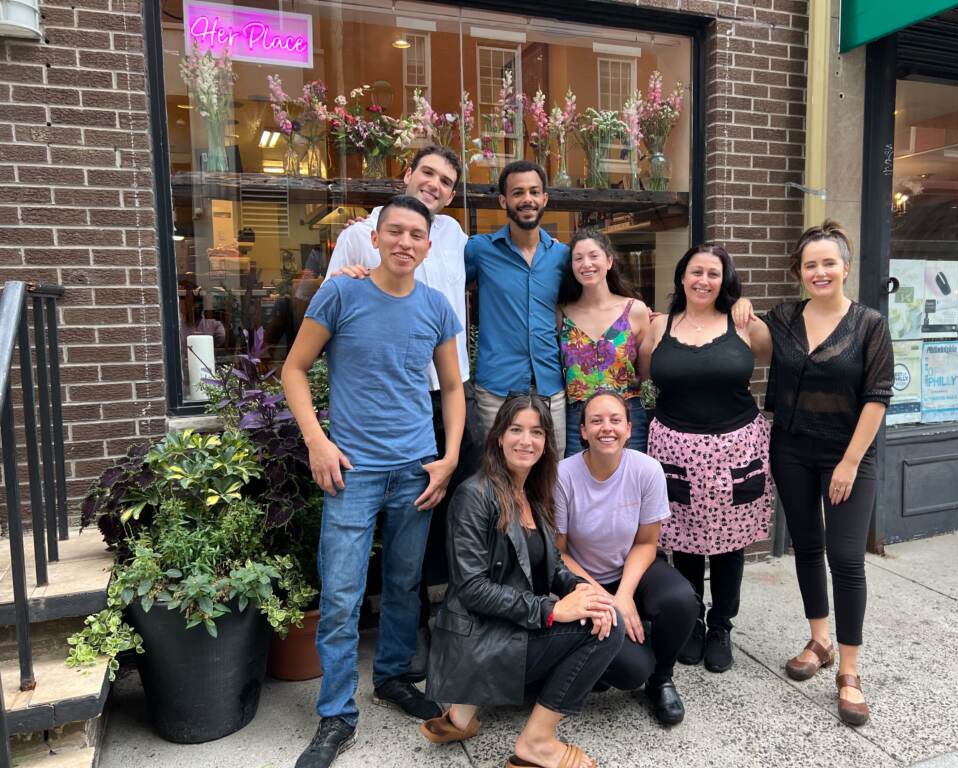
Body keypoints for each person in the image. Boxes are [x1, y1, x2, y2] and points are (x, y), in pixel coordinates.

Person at [282, 195, 466, 768]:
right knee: (340, 595)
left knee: (405, 584)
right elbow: (294, 368)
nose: (406, 242)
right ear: (376, 237)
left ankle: (390, 677)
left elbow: (453, 388)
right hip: (352, 471)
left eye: (416, 234)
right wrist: (318, 441)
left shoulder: (436, 306)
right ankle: (336, 714)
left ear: (427, 246)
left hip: (416, 469)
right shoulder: (341, 292)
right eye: (396, 232)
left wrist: (449, 456)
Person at [325, 144, 476, 678]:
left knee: (433, 525)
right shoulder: (358, 234)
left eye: (447, 181)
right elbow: (328, 315)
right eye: (427, 173)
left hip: (446, 392)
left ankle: (422, 635)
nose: (435, 184)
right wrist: (346, 274)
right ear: (406, 173)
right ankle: (387, 649)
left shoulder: (455, 235)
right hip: (383, 398)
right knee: (374, 535)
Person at [737, 220, 893, 726]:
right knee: (807, 546)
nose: (820, 271)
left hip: (849, 454)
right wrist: (740, 307)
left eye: (829, 263)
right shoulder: (783, 318)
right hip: (792, 448)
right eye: (810, 265)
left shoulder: (869, 324)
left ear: (845, 268)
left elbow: (877, 397)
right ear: (799, 273)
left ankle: (849, 671)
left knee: (846, 558)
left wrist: (848, 463)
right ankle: (819, 640)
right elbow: (753, 340)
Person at [421, 396, 623, 768]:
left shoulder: (532, 491)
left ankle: (461, 714)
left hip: (504, 629)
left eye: (536, 432)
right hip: (477, 641)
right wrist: (552, 609)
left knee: (603, 609)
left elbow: (552, 563)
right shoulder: (473, 496)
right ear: (498, 436)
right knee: (611, 630)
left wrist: (579, 590)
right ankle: (537, 742)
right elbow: (472, 588)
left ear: (547, 441)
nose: (525, 441)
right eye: (515, 430)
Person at [637, 245, 773, 675]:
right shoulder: (659, 327)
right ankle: (693, 620)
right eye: (696, 272)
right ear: (681, 277)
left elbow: (778, 361)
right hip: (675, 446)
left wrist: (745, 307)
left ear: (724, 280)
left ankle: (721, 626)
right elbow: (645, 378)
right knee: (685, 541)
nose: (703, 280)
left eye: (714, 273)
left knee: (731, 544)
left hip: (736, 447)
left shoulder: (746, 326)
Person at [553, 391, 699, 725]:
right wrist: (605, 599)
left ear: (629, 428)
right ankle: (610, 661)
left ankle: (662, 678)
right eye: (597, 420)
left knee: (681, 600)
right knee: (632, 670)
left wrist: (624, 595)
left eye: (616, 420)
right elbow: (558, 552)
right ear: (584, 431)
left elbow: (647, 542)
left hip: (632, 567)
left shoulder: (647, 470)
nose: (607, 428)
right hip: (582, 579)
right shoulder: (564, 475)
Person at [467, 160, 571, 456]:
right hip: (496, 390)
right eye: (518, 193)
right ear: (504, 201)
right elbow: (435, 278)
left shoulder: (562, 256)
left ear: (544, 199)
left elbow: (596, 294)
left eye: (534, 192)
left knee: (553, 476)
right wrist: (367, 238)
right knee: (496, 476)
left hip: (551, 388)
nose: (527, 199)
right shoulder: (479, 250)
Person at [558, 228, 651, 456]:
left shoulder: (635, 310)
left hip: (626, 414)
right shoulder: (561, 314)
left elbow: (646, 370)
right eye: (578, 258)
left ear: (609, 261)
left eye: (593, 256)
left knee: (629, 483)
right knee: (578, 485)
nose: (586, 264)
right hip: (578, 418)